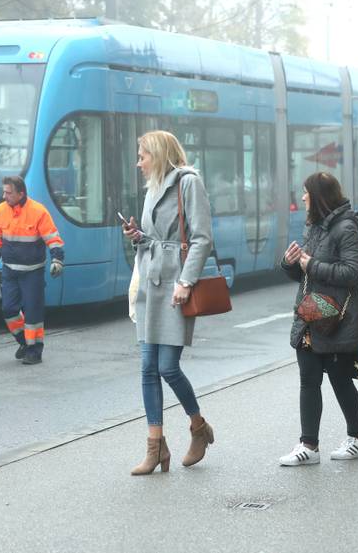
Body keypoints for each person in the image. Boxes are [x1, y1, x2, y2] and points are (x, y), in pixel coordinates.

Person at [122, 130, 214, 475]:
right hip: (150, 281)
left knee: (167, 367)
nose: (139, 163)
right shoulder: (153, 188)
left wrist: (186, 281)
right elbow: (156, 237)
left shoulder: (188, 183)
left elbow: (202, 238)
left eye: (143, 156)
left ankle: (198, 428)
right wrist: (138, 237)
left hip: (175, 283)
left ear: (158, 155)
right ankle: (156, 446)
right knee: (147, 367)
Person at [278, 172, 358, 466]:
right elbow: (305, 273)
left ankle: (357, 438)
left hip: (338, 319)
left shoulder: (345, 228)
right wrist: (291, 263)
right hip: (311, 315)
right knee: (309, 380)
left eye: (306, 192)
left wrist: (312, 264)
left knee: (341, 380)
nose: (302, 197)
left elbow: (355, 273)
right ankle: (309, 446)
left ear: (318, 197)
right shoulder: (315, 227)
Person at [0, 176, 64, 365]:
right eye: (4, 192)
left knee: (33, 313)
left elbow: (53, 238)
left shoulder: (38, 212)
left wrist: (57, 260)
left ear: (21, 193)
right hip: (10, 271)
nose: (4, 196)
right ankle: (24, 342)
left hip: (32, 272)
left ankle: (35, 351)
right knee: (8, 309)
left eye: (9, 193)